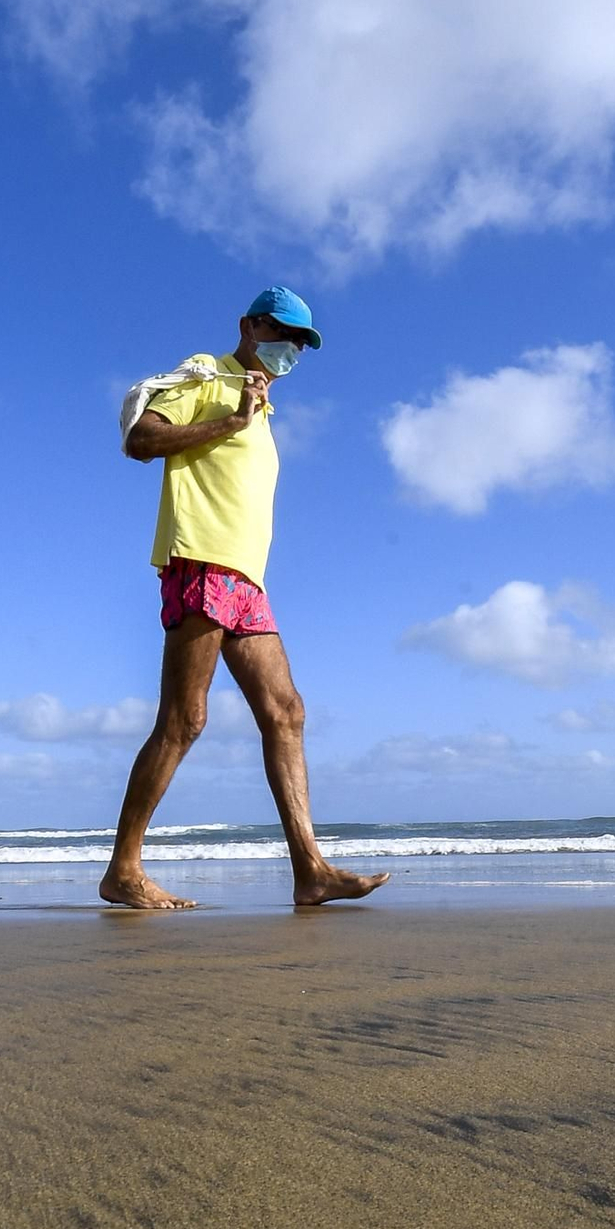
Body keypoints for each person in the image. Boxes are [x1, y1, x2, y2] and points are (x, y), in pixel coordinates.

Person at [100, 285, 390, 910]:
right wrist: (230, 420)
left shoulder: (266, 410)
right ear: (249, 326)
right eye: (281, 333)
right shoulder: (211, 375)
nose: (289, 349)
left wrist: (248, 418)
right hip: (201, 561)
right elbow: (141, 440)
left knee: (286, 711)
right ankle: (123, 869)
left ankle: (310, 870)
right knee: (184, 720)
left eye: (299, 343)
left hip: (245, 580)